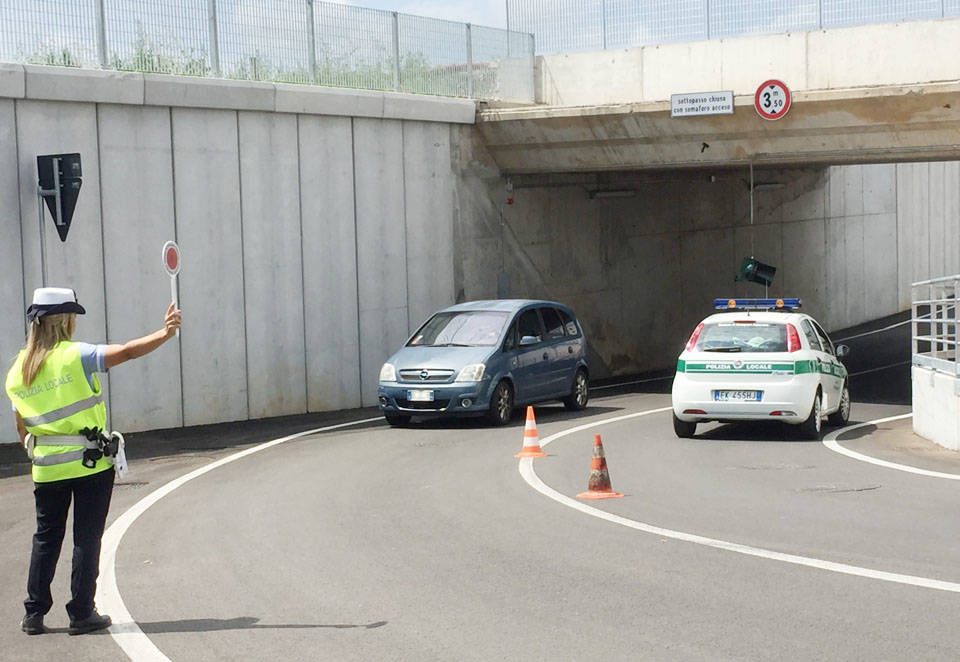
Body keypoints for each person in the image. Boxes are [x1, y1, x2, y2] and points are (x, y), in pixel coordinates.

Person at [4, 287, 181, 636]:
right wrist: (165, 333)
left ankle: (34, 613)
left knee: (46, 537)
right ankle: (81, 612)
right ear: (64, 320)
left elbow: (21, 424)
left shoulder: (17, 370)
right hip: (90, 464)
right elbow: (128, 352)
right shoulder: (76, 355)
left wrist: (35, 448)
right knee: (86, 537)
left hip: (46, 467)